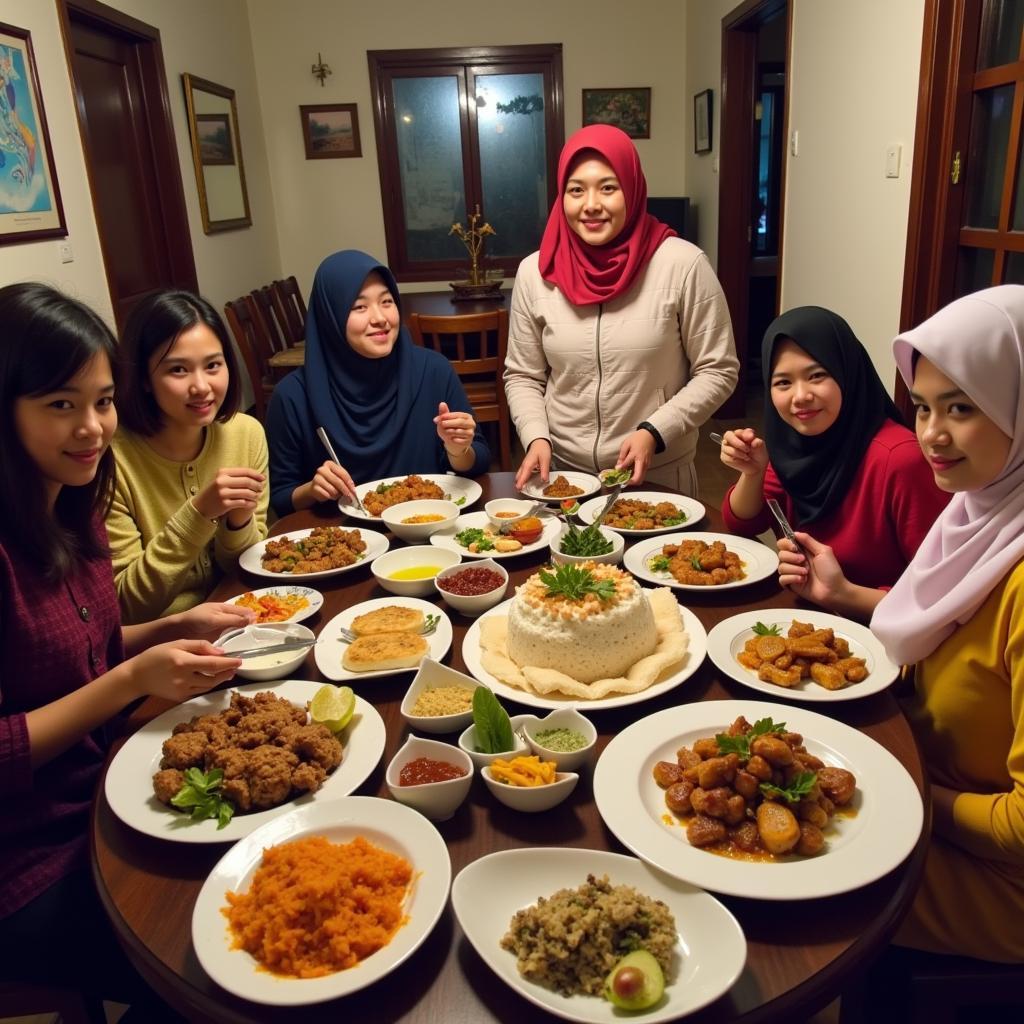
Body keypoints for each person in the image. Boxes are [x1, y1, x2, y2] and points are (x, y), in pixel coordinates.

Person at [0, 282, 248, 1020]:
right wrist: (130, 677)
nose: (92, 428)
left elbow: (89, 644)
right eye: (60, 404)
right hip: (29, 857)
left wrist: (171, 629)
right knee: (215, 968)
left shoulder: (73, 505)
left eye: (102, 401)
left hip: (111, 786)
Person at [871, 285, 1024, 964]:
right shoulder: (977, 515)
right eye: (925, 407)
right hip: (927, 791)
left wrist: (911, 796)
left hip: (1000, 878)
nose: (930, 434)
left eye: (962, 408)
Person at [505, 123, 738, 495]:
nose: (591, 204)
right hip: (565, 479)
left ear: (632, 188)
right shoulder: (535, 272)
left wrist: (654, 431)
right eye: (576, 190)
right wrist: (536, 438)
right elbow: (523, 375)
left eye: (608, 188)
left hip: (658, 476)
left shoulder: (683, 264)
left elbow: (718, 370)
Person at [720, 306, 948, 619]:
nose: (800, 396)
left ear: (847, 373)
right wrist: (753, 473)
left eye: (817, 376)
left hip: (888, 641)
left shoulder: (899, 459)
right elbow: (743, 521)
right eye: (783, 383)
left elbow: (943, 596)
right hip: (810, 620)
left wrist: (843, 594)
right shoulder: (795, 443)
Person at [265, 249, 489, 516]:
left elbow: (479, 459)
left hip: (427, 530)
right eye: (359, 306)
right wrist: (312, 489)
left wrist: (458, 450)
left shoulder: (433, 370)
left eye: (386, 301)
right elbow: (280, 497)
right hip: (347, 541)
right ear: (330, 317)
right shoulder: (292, 396)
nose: (380, 318)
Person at [107, 290, 269, 624]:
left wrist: (238, 521)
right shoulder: (112, 460)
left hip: (248, 619)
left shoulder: (246, 433)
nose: (202, 387)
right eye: (178, 370)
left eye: (213, 365)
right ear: (144, 379)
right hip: (162, 643)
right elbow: (127, 605)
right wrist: (200, 513)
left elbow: (253, 567)